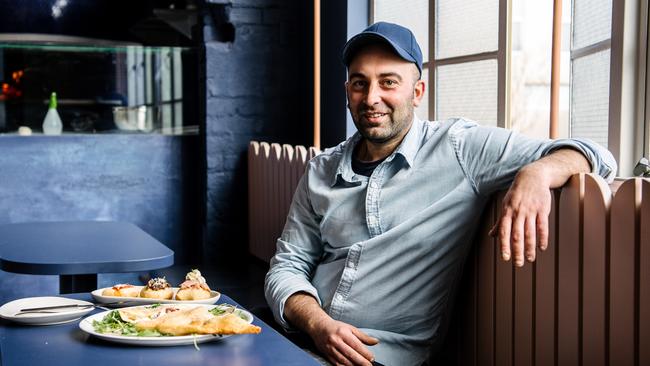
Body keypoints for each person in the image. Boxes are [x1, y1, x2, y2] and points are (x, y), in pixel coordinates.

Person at [265, 22, 616, 366]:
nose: (371, 98)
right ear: (347, 91)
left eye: (388, 82)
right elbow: (287, 266)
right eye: (360, 83)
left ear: (417, 92)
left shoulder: (459, 149)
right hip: (299, 333)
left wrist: (537, 172)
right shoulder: (321, 170)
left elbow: (597, 156)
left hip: (374, 355)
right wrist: (318, 324)